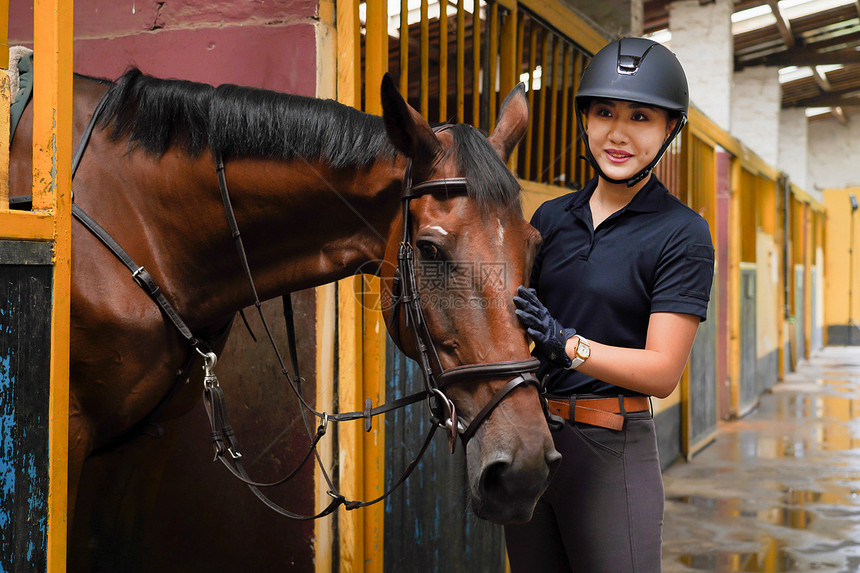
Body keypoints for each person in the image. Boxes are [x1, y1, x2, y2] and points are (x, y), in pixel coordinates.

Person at [506, 37, 715, 572]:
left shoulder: (682, 233)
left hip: (612, 451)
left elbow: (663, 371)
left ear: (670, 129)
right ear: (585, 119)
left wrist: (568, 346)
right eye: (604, 113)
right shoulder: (550, 219)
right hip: (533, 443)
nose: (617, 134)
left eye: (640, 117)